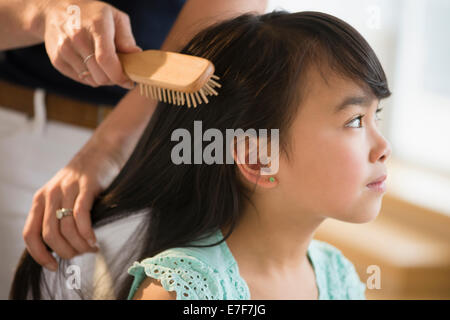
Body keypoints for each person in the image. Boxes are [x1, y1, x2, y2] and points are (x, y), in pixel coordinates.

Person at [10, 10, 392, 300]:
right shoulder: (185, 291)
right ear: (259, 160)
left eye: (377, 115)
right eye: (356, 121)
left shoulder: (335, 273)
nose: (383, 147)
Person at [0, 0, 268, 276]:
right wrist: (42, 13)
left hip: (158, 152)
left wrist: (108, 149)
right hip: (19, 139)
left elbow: (225, 27)